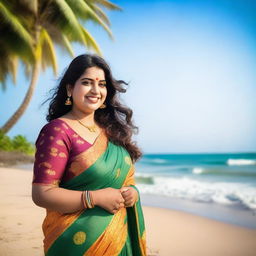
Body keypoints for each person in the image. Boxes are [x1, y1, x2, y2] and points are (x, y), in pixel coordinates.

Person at [32, 54, 147, 256]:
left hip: (119, 241)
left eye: (101, 84)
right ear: (70, 88)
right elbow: (42, 194)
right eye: (86, 83)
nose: (96, 90)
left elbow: (128, 180)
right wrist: (94, 198)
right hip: (74, 244)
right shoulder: (58, 130)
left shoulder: (112, 132)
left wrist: (133, 193)